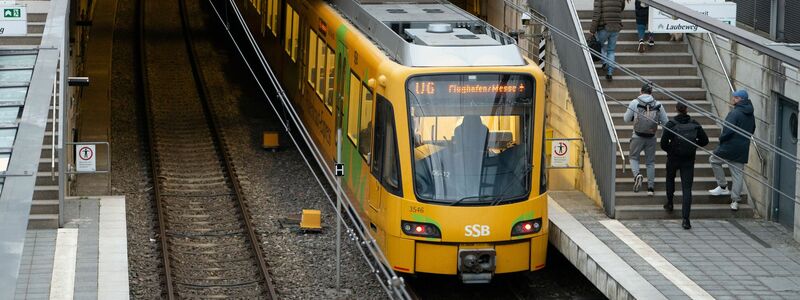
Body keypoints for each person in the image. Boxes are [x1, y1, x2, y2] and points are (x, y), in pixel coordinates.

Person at [660, 103, 709, 229]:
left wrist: (671, 150)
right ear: (687, 110)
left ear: (676, 110)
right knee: (687, 189)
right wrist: (693, 144)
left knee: (670, 179)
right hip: (688, 159)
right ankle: (686, 220)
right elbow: (705, 141)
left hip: (673, 158)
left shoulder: (671, 124)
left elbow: (663, 143)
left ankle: (670, 203)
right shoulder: (695, 124)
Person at [708, 90, 756, 211]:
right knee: (738, 174)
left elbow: (728, 131)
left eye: (735, 97)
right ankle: (735, 201)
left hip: (729, 146)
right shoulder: (751, 114)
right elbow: (752, 129)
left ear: (740, 99)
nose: (732, 99)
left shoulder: (735, 113)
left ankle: (723, 186)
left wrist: (721, 139)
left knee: (713, 160)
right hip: (742, 148)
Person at [624, 83, 668, 196]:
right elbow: (666, 122)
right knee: (650, 162)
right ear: (651, 93)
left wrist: (635, 116)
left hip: (637, 136)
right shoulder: (658, 104)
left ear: (641, 92)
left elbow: (626, 119)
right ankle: (650, 188)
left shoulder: (635, 102)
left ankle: (637, 175)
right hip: (651, 137)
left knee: (633, 157)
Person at [589, 0, 627, 81]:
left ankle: (605, 62)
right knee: (611, 50)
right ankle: (609, 73)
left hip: (604, 26)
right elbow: (621, 8)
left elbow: (597, 14)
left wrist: (592, 30)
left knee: (599, 45)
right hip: (616, 26)